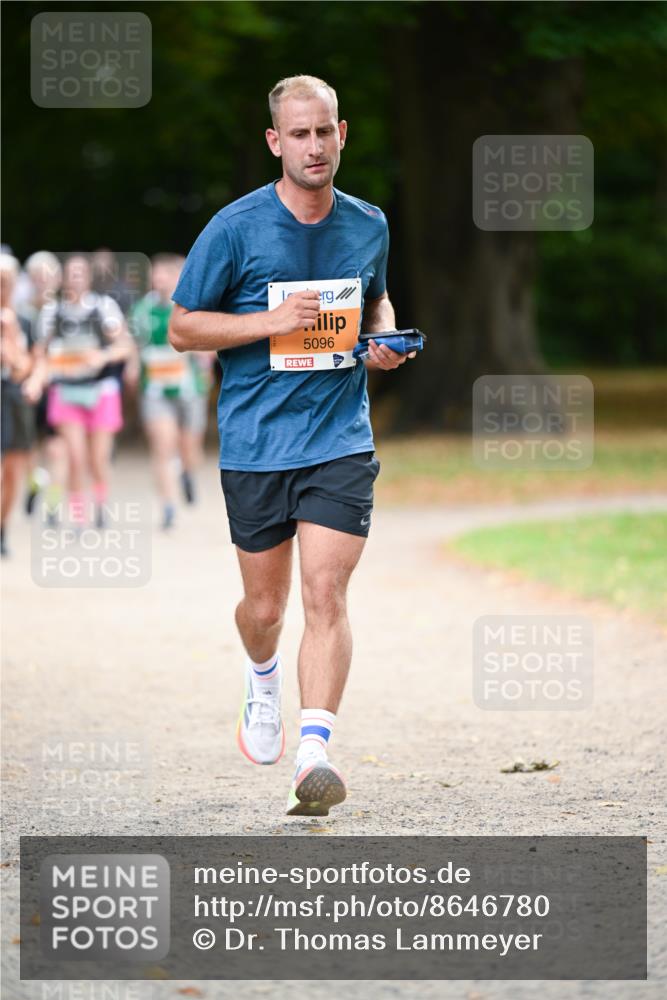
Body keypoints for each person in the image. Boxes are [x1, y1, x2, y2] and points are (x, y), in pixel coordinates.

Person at [169, 75, 416, 817]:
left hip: (338, 436)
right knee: (265, 606)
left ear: (344, 134)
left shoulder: (368, 222)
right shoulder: (236, 228)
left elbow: (374, 297)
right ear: (275, 142)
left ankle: (314, 753)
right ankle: (263, 675)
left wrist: (381, 339)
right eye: (297, 135)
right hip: (254, 443)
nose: (313, 146)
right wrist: (267, 323)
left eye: (324, 131)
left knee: (325, 594)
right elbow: (183, 327)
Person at [39, 254, 132, 528]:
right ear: (63, 278)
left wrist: (101, 357)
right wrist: (43, 371)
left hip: (101, 391)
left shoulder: (104, 308)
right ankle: (78, 516)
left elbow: (124, 346)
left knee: (98, 459)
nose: (76, 277)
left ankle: (101, 504)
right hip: (66, 391)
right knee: (75, 457)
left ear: (89, 278)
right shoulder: (52, 312)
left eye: (81, 272)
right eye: (71, 273)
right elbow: (40, 353)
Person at [130, 253, 213, 529]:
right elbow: (133, 344)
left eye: (167, 275)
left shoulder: (193, 308)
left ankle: (187, 473)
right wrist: (132, 365)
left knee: (189, 448)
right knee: (163, 446)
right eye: (157, 275)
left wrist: (205, 361)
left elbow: (210, 343)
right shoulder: (142, 310)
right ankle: (167, 506)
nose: (160, 280)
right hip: (155, 391)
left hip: (189, 390)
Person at [19, 251, 67, 519]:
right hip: (24, 387)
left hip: (57, 388)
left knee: (56, 447)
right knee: (26, 447)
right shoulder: (19, 313)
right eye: (36, 276)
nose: (42, 281)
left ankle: (53, 503)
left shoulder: (65, 312)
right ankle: (35, 480)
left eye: (47, 276)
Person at [0, 254, 40, 556]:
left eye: (7, 282)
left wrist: (11, 339)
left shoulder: (25, 320)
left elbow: (28, 365)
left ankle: (3, 529)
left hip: (12, 400)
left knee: (12, 473)